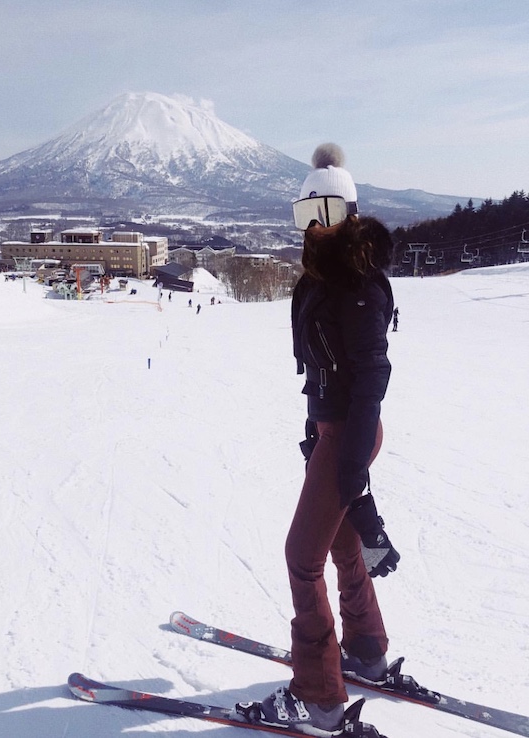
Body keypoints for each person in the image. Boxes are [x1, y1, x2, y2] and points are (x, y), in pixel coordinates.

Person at [234, 144, 399, 738]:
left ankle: (320, 698)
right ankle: (366, 651)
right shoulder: (323, 281)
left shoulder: (358, 285)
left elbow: (371, 378)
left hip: (351, 431)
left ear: (350, 212)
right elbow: (321, 371)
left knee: (301, 558)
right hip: (334, 429)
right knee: (342, 544)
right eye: (307, 213)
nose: (316, 226)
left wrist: (350, 465)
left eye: (327, 212)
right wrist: (316, 428)